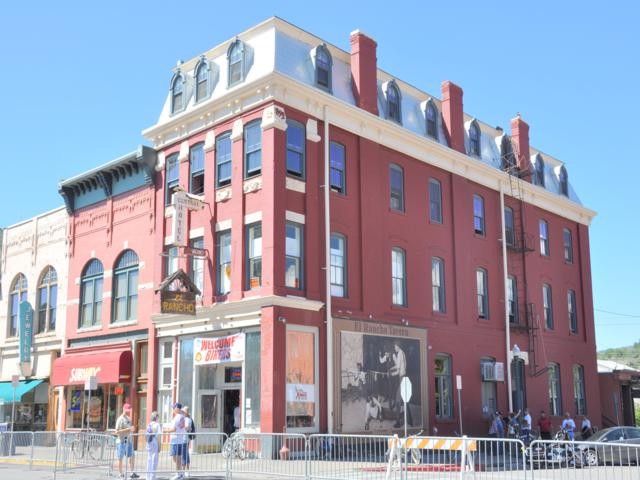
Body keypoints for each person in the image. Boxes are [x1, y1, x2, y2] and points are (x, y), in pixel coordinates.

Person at [115, 403, 139, 479]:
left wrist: (132, 429)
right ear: (123, 409)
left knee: (132, 456)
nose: (128, 411)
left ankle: (132, 472)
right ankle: (120, 473)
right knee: (120, 457)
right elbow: (117, 431)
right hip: (121, 441)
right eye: (127, 410)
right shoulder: (120, 419)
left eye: (129, 410)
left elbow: (130, 428)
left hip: (129, 440)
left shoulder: (128, 418)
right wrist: (128, 429)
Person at [164, 402, 187, 480]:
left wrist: (165, 431)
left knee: (175, 458)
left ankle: (178, 474)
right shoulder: (182, 416)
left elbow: (174, 429)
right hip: (179, 440)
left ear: (177, 408)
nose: (173, 409)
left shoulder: (177, 417)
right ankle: (180, 473)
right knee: (178, 458)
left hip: (176, 440)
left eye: (173, 408)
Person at [145, 411, 161, 480]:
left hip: (149, 442)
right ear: (156, 417)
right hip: (154, 442)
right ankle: (152, 477)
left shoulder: (149, 424)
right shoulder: (157, 425)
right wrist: (159, 446)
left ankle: (147, 476)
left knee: (149, 459)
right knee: (154, 460)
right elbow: (159, 436)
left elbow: (146, 436)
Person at [182, 406, 193, 478]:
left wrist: (180, 427)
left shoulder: (188, 419)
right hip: (183, 439)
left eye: (183, 411)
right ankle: (184, 471)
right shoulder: (184, 418)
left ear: (186, 412)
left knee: (185, 455)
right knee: (184, 454)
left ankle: (186, 471)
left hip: (185, 439)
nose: (182, 412)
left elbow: (187, 428)